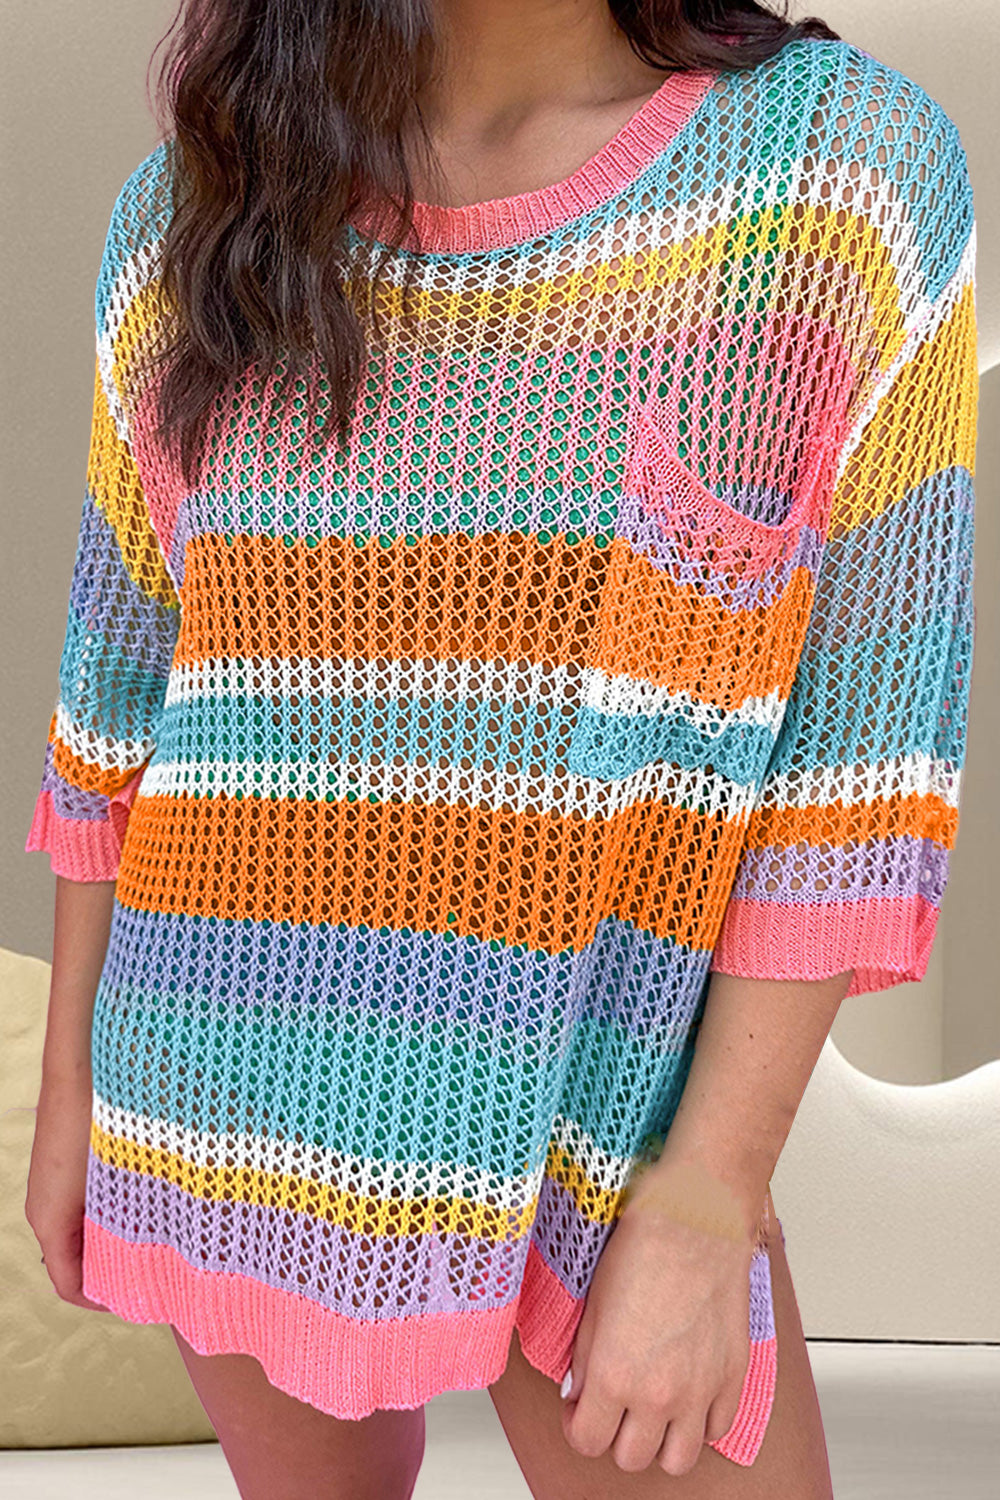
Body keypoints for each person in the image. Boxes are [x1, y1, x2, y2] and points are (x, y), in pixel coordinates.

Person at [23, 1, 977, 1496]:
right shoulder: (198, 210)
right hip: (215, 1093)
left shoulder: (836, 180)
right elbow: (119, 696)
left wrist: (711, 1194)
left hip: (584, 1127)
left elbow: (858, 770)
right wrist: (70, 1093)